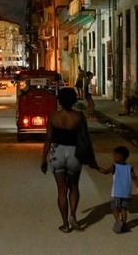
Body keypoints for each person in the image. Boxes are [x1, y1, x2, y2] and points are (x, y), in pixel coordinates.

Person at [41, 88, 95, 233]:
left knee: (61, 191)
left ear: (60, 100)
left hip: (57, 152)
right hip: (74, 153)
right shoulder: (79, 116)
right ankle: (73, 215)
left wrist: (43, 159)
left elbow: (48, 139)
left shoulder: (53, 116)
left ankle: (65, 225)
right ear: (74, 100)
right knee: (74, 186)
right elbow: (85, 138)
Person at [98, 146, 138, 233]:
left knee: (114, 208)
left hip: (116, 193)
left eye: (114, 155)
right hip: (126, 194)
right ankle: (124, 224)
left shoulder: (115, 166)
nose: (113, 157)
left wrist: (96, 167)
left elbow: (105, 172)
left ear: (119, 157)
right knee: (124, 209)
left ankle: (118, 221)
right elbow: (134, 177)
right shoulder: (129, 167)